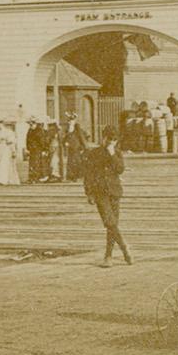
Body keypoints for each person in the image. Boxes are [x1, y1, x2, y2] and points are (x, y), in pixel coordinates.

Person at [80, 126, 130, 267]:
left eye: (114, 140)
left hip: (114, 191)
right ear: (103, 138)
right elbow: (88, 174)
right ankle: (125, 248)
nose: (111, 142)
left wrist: (112, 154)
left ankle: (108, 256)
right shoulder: (93, 153)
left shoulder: (117, 153)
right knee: (110, 222)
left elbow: (120, 170)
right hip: (100, 192)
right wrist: (89, 193)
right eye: (109, 139)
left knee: (112, 225)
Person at [0, 120, 21, 186]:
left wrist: (13, 151)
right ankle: (3, 179)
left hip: (6, 149)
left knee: (4, 163)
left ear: (2, 123)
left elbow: (12, 142)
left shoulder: (8, 132)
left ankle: (1, 180)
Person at [59, 113, 84, 182]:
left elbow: (81, 137)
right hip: (70, 148)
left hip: (76, 147)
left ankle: (77, 176)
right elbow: (66, 137)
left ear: (74, 121)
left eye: (72, 120)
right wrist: (65, 143)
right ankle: (71, 176)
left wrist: (83, 147)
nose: (70, 122)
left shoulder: (77, 128)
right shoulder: (68, 129)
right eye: (69, 121)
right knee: (70, 162)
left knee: (76, 162)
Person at [25, 119, 51, 183]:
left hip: (38, 149)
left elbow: (43, 141)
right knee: (32, 163)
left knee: (37, 163)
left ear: (35, 124)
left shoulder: (39, 131)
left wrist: (44, 149)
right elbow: (27, 140)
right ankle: (32, 177)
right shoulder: (30, 130)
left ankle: (36, 178)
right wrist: (28, 149)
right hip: (32, 150)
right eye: (30, 125)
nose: (31, 126)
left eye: (32, 124)